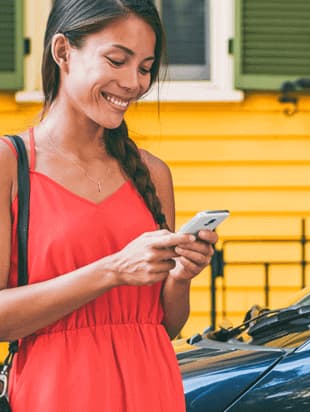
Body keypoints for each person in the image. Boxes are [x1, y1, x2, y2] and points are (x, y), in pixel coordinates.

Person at [0, 1, 217, 410]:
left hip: (151, 387)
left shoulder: (152, 174)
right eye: (117, 60)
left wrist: (182, 275)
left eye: (145, 67)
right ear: (63, 51)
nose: (134, 82)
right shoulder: (11, 165)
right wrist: (113, 270)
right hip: (56, 393)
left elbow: (165, 325)